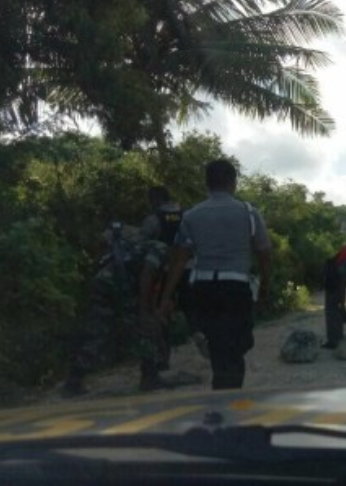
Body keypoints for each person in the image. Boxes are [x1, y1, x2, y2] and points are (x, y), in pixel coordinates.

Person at [157, 159, 272, 390]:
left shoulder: (192, 216)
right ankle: (226, 395)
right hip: (236, 288)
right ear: (233, 182)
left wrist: (166, 297)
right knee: (237, 346)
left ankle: (222, 389)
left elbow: (179, 260)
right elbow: (265, 254)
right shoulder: (249, 213)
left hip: (204, 290)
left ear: (207, 184)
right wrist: (265, 289)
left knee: (219, 345)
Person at [61, 224, 174, 397]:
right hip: (120, 285)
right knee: (142, 328)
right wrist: (143, 310)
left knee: (98, 332)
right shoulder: (159, 248)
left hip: (104, 282)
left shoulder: (134, 243)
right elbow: (147, 275)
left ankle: (73, 380)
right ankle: (150, 376)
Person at [140, 185, 204, 368]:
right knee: (191, 309)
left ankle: (163, 357)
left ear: (155, 200)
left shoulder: (153, 220)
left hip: (163, 272)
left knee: (161, 312)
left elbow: (142, 244)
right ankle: (199, 335)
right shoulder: (187, 215)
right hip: (190, 270)